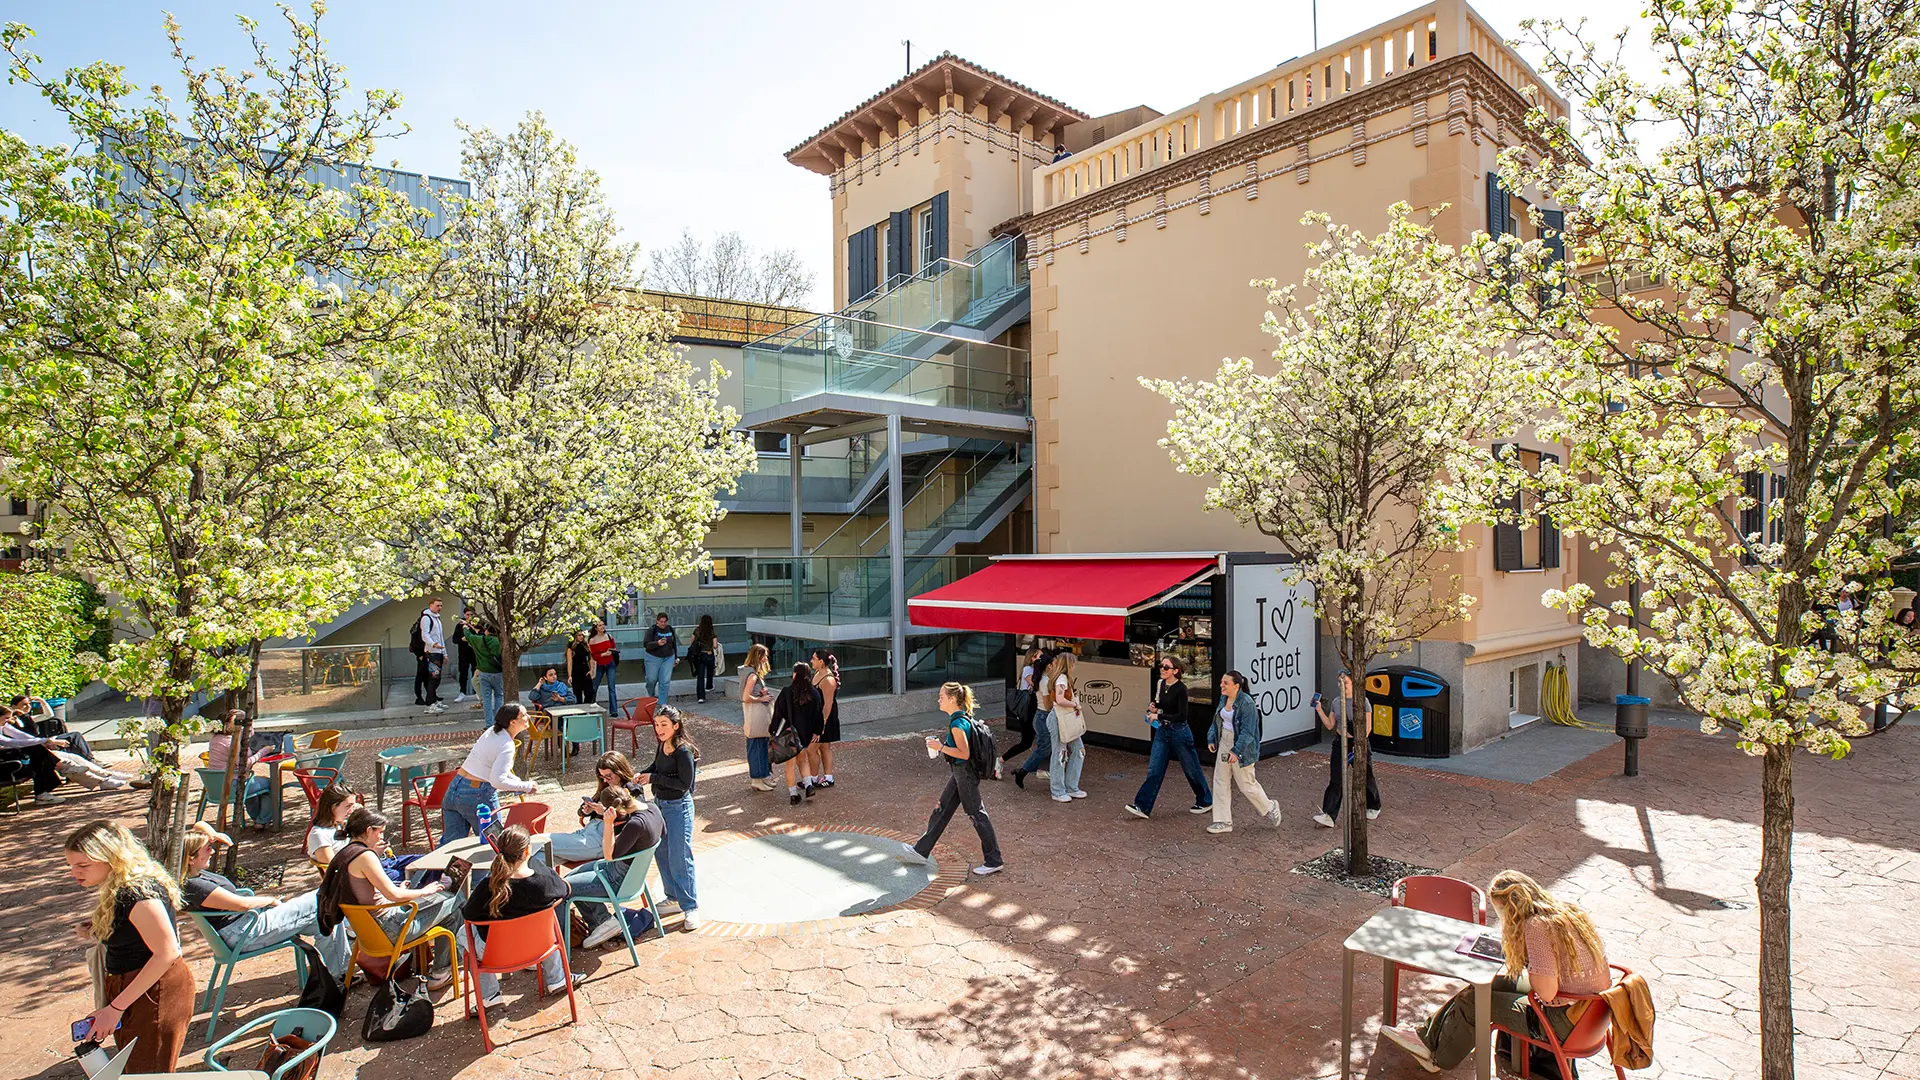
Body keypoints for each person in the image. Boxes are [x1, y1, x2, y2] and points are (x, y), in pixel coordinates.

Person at [1380, 870, 1613, 1075]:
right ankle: (1425, 1036)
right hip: (1592, 1015)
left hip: (1565, 1021)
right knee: (1486, 986)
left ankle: (1438, 1057)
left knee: (1475, 1001)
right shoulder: (1567, 912)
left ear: (1510, 909)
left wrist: (1527, 958)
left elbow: (1547, 993)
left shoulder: (1537, 926)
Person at [64, 820, 195, 1073]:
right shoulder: (122, 888)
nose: (75, 872)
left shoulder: (137, 894)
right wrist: (98, 930)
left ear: (112, 858)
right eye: (71, 866)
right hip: (137, 989)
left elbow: (167, 952)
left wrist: (115, 1008)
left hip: (154, 992)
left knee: (147, 1073)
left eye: (83, 865)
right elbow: (136, 933)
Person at [178, 822, 350, 975]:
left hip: (245, 926)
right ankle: (342, 970)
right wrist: (270, 900)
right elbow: (242, 904)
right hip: (245, 933)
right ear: (190, 859)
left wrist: (213, 836)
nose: (213, 850)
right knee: (322, 901)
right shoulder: (197, 886)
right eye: (207, 848)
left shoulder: (193, 875)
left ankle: (339, 972)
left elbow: (200, 825)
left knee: (323, 919)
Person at [317, 808, 461, 987]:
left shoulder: (345, 853)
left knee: (446, 912)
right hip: (390, 929)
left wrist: (401, 891)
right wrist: (427, 890)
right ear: (369, 830)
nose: (382, 838)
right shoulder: (365, 856)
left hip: (367, 932)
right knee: (455, 899)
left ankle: (441, 965)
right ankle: (441, 971)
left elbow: (377, 892)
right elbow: (393, 895)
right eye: (381, 832)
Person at [463, 825, 579, 1007]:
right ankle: (558, 978)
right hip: (540, 946)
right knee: (547, 922)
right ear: (527, 850)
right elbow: (566, 890)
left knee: (463, 933)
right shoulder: (544, 881)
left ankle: (489, 995)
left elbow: (468, 914)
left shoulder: (488, 886)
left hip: (497, 953)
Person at [903, 682, 1004, 876]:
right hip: (960, 773)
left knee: (977, 814)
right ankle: (920, 850)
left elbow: (963, 753)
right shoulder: (961, 719)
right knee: (941, 810)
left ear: (951, 699)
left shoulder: (958, 724)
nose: (938, 699)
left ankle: (994, 860)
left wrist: (939, 746)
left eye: (941, 696)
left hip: (964, 772)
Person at [571, 784, 667, 947]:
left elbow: (609, 855)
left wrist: (608, 823)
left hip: (617, 879)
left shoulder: (635, 824)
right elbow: (663, 832)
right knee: (568, 877)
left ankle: (605, 922)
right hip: (633, 875)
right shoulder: (653, 808)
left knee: (566, 888)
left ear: (614, 809)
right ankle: (600, 924)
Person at [636, 705, 701, 930]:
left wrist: (653, 778)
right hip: (660, 805)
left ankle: (690, 906)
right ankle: (673, 897)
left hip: (678, 807)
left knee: (680, 856)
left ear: (676, 725)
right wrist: (642, 775)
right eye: (657, 724)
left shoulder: (684, 751)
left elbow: (684, 786)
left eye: (664, 724)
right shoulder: (662, 744)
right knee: (662, 852)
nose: (659, 729)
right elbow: (656, 767)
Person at [1126, 655, 1212, 819]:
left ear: (1175, 671)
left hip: (1179, 732)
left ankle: (1205, 799)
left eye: (1166, 667)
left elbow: (1181, 715)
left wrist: (1159, 717)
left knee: (1191, 769)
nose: (1162, 669)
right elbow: (1163, 705)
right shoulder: (1161, 684)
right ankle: (1142, 806)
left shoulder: (1181, 689)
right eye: (1161, 666)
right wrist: (1155, 707)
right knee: (1154, 769)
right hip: (1163, 732)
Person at [443, 704, 540, 846]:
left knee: (449, 847)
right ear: (512, 722)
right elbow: (497, 781)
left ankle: (438, 868)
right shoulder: (507, 744)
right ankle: (488, 869)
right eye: (524, 715)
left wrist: (518, 782)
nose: (529, 717)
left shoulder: (492, 732)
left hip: (455, 788)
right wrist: (526, 786)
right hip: (478, 794)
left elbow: (495, 768)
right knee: (492, 845)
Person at [1205, 670, 1280, 834]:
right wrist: (1212, 738)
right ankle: (1223, 821)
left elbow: (1248, 732)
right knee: (1220, 780)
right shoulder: (1224, 698)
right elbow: (1217, 720)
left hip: (1242, 746)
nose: (1221, 686)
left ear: (1236, 686)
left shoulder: (1247, 704)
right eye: (1221, 682)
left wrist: (1236, 751)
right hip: (1224, 741)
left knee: (1246, 784)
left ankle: (1270, 806)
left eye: (1225, 683)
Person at [547, 752, 647, 863]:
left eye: (608, 776)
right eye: (602, 777)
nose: (605, 780)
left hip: (602, 838)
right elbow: (583, 810)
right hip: (588, 830)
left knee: (541, 842)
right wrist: (586, 810)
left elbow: (638, 818)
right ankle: (544, 880)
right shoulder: (606, 786)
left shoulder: (632, 789)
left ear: (620, 771)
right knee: (539, 857)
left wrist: (605, 812)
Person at [307, 785, 422, 880]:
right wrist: (372, 853)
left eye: (354, 805)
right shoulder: (320, 835)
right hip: (360, 876)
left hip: (379, 863)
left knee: (423, 862)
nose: (352, 809)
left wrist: (362, 816)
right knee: (416, 875)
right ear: (332, 807)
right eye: (348, 806)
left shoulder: (342, 823)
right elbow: (334, 872)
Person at [1313, 671, 1381, 829]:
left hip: (1358, 742)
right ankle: (1329, 815)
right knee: (1336, 779)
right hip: (1340, 742)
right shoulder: (1337, 702)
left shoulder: (1362, 701)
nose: (1341, 686)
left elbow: (1368, 727)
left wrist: (1359, 744)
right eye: (1339, 683)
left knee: (1365, 775)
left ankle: (1374, 805)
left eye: (1345, 683)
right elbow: (1330, 725)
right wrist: (1319, 710)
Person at [206, 710, 275, 826]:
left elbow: (249, 734)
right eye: (237, 721)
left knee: (252, 784)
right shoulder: (232, 742)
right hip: (233, 786)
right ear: (227, 725)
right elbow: (244, 764)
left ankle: (258, 818)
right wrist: (263, 752)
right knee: (271, 784)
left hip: (215, 786)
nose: (241, 724)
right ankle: (262, 820)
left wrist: (247, 722)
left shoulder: (215, 739)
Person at [772, 663, 823, 805]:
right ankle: (808, 785)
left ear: (795, 674)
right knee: (803, 760)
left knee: (790, 765)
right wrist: (817, 731)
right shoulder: (814, 693)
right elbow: (818, 714)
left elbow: (778, 714)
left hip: (789, 735)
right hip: (805, 734)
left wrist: (773, 730)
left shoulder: (786, 692)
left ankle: (793, 795)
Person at [1, 717, 76, 803]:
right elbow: (11, 742)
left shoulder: (3, 725)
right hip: (3, 764)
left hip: (7, 758)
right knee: (36, 749)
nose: (9, 720)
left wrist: (44, 742)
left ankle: (59, 770)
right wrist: (46, 741)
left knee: (37, 749)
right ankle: (61, 768)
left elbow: (22, 736)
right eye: (6, 718)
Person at [1011, 647, 1057, 788]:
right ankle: (1023, 770)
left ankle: (1028, 770)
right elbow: (1048, 705)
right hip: (1042, 715)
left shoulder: (1041, 679)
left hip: (1040, 715)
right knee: (1042, 747)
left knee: (1044, 746)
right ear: (1048, 666)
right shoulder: (1042, 680)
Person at [1047, 653, 1087, 803]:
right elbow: (1060, 699)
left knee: (1075, 751)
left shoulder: (1060, 678)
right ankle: (1058, 790)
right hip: (1060, 718)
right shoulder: (1062, 678)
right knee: (1061, 753)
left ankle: (1070, 786)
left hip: (1062, 718)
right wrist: (1075, 705)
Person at [739, 643, 776, 792]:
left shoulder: (749, 672)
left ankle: (761, 778)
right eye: (764, 655)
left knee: (759, 746)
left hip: (754, 717)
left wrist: (760, 693)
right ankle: (757, 779)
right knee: (758, 747)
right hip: (757, 717)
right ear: (758, 657)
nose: (766, 658)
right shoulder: (753, 675)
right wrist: (761, 699)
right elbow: (746, 697)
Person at [1000, 647, 1043, 765]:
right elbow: (1034, 684)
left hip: (1032, 708)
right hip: (1027, 709)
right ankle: (1002, 760)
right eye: (1040, 656)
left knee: (1041, 739)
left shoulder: (1033, 669)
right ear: (1033, 657)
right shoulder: (1028, 669)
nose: (1042, 659)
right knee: (1026, 742)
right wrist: (1038, 665)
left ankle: (1039, 766)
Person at [810, 648, 843, 787]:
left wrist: (821, 725)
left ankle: (813, 778)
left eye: (814, 659)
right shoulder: (818, 673)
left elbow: (828, 704)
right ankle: (827, 777)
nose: (811, 661)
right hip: (818, 716)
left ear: (821, 661)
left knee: (811, 749)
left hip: (825, 718)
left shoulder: (828, 680)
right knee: (824, 747)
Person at [415, 598, 447, 711]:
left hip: (438, 652)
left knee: (436, 678)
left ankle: (433, 700)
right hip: (432, 652)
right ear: (431, 605)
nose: (440, 608)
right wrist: (433, 644)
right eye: (438, 605)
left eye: (441, 605)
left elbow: (441, 637)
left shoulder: (437, 618)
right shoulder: (426, 618)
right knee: (433, 677)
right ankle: (429, 704)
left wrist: (444, 652)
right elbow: (425, 635)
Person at [469, 618, 504, 721]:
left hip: (484, 672)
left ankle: (489, 722)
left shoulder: (480, 639)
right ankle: (498, 720)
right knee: (498, 696)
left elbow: (468, 636)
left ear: (487, 631)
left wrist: (466, 628)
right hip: (497, 671)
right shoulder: (499, 641)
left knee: (486, 698)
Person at [642, 611, 677, 704]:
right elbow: (646, 644)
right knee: (651, 679)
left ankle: (662, 703)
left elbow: (674, 644)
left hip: (668, 657)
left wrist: (676, 657)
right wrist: (657, 643)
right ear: (657, 621)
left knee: (665, 681)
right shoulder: (652, 630)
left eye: (665, 621)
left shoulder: (670, 629)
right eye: (661, 621)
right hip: (653, 657)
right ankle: (650, 697)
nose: (663, 624)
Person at [686, 615, 722, 704]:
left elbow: (691, 641)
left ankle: (701, 697)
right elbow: (715, 645)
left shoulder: (697, 630)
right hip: (709, 654)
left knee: (700, 676)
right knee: (710, 671)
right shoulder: (711, 631)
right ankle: (709, 686)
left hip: (699, 655)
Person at [588, 619, 621, 717]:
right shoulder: (592, 640)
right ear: (596, 628)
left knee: (611, 687)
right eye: (600, 625)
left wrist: (612, 651)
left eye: (603, 625)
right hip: (599, 665)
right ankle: (591, 706)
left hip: (610, 663)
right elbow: (593, 655)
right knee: (594, 686)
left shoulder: (609, 636)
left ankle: (614, 710)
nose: (602, 627)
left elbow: (614, 648)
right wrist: (603, 654)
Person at [451, 612, 478, 705]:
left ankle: (477, 692)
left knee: (476, 673)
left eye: (471, 614)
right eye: (467, 614)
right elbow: (454, 639)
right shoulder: (460, 625)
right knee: (463, 673)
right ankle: (462, 692)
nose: (469, 616)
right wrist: (462, 639)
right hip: (463, 653)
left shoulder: (477, 624)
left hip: (475, 653)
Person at [565, 629, 594, 705]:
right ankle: (580, 710)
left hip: (585, 670)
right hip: (576, 671)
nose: (581, 637)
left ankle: (586, 706)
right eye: (579, 635)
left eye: (582, 635)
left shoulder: (585, 645)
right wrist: (570, 675)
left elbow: (590, 658)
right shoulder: (571, 648)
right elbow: (569, 662)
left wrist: (591, 669)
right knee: (578, 693)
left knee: (590, 692)